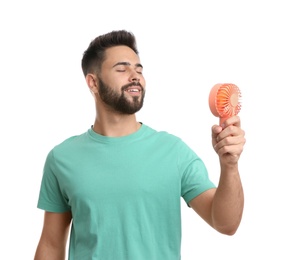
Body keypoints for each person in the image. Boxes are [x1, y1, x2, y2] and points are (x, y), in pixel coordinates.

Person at [34, 30, 246, 260]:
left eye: (139, 69)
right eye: (122, 69)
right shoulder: (62, 158)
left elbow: (226, 223)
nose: (135, 76)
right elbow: (51, 245)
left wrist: (230, 164)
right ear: (93, 82)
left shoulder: (173, 152)